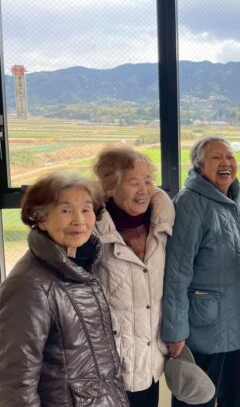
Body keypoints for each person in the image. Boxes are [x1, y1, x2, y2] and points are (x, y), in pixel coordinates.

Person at [0, 172, 128, 407]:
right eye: (66, 210)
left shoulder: (82, 264)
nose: (79, 220)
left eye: (86, 209)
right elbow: (16, 384)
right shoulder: (28, 285)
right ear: (41, 218)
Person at [162, 137, 240, 407]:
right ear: (199, 166)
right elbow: (176, 273)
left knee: (234, 398)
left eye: (230, 157)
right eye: (216, 158)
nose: (225, 163)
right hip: (205, 329)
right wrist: (175, 331)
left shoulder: (235, 198)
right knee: (196, 399)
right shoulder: (190, 203)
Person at [93, 146, 175, 407]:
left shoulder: (161, 223)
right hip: (108, 364)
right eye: (133, 182)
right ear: (110, 186)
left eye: (148, 181)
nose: (144, 190)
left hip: (150, 358)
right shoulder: (90, 231)